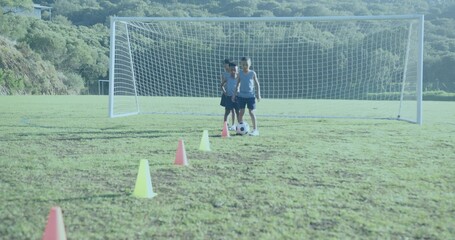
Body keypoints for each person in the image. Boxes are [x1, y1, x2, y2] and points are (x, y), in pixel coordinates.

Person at [232, 57, 261, 136]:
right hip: (241, 96)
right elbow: (237, 84)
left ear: (250, 64)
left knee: (251, 112)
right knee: (241, 113)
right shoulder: (240, 73)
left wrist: (258, 94)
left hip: (250, 96)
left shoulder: (252, 73)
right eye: (243, 65)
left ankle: (255, 130)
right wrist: (234, 95)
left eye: (246, 65)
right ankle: (240, 129)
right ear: (241, 65)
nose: (245, 66)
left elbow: (257, 84)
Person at [220, 62, 240, 130]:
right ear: (229, 70)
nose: (233, 71)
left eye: (234, 70)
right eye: (231, 70)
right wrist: (225, 92)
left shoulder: (239, 77)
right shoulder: (227, 77)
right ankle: (225, 126)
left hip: (237, 97)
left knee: (238, 112)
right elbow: (221, 85)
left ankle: (239, 126)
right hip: (229, 97)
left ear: (237, 70)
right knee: (227, 112)